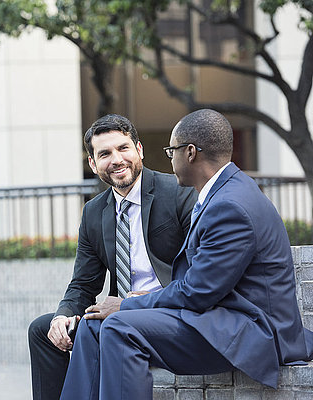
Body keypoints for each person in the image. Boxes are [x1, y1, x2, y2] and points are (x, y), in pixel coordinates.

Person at [60, 109, 313, 400]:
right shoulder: (221, 194)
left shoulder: (230, 206)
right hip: (216, 320)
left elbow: (197, 292)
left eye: (172, 151)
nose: (170, 159)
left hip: (251, 333)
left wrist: (130, 306)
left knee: (119, 326)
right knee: (93, 325)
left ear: (190, 153)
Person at [27, 114, 197, 400]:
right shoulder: (94, 212)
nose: (116, 159)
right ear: (93, 164)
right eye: (104, 154)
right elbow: (83, 284)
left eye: (123, 148)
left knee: (95, 326)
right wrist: (63, 315)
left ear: (139, 150)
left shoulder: (178, 192)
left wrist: (136, 301)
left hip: (168, 308)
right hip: (119, 313)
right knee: (43, 331)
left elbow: (197, 273)